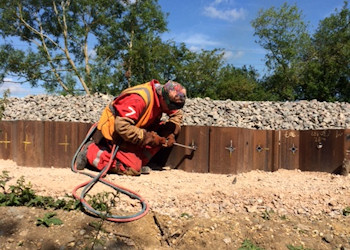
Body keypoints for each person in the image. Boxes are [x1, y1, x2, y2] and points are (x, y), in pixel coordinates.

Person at [75, 79, 187, 176]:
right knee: (132, 169)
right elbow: (122, 127)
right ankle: (91, 151)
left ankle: (138, 160)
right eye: (171, 106)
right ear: (162, 97)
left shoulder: (165, 97)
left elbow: (177, 114)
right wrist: (149, 138)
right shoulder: (138, 99)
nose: (172, 109)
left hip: (136, 127)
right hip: (116, 131)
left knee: (161, 134)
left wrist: (169, 132)